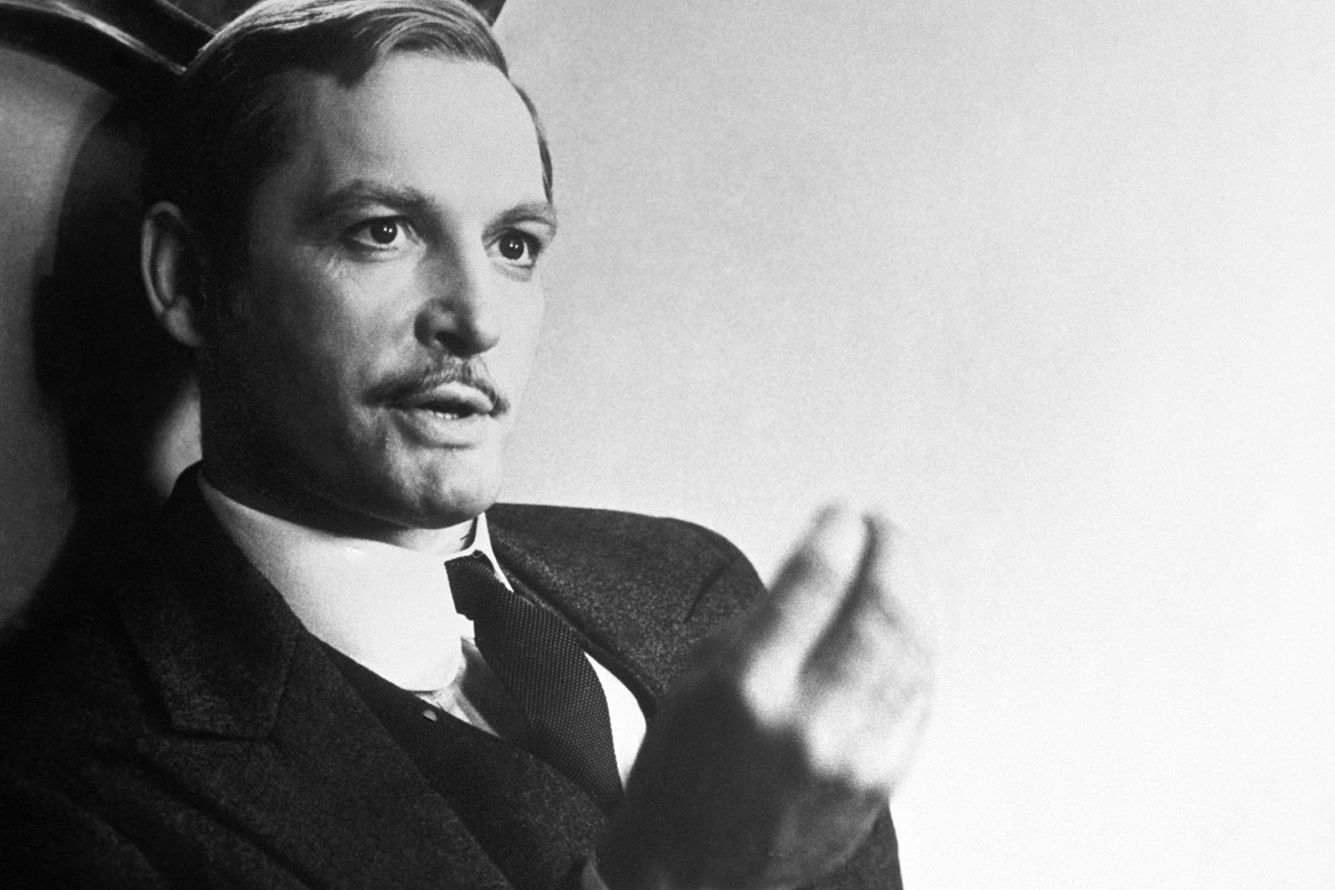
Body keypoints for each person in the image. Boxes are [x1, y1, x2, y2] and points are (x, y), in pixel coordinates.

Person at [0, 1, 932, 887]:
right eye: (381, 232)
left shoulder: (691, 585)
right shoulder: (57, 782)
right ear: (188, 279)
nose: (476, 319)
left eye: (514, 245)